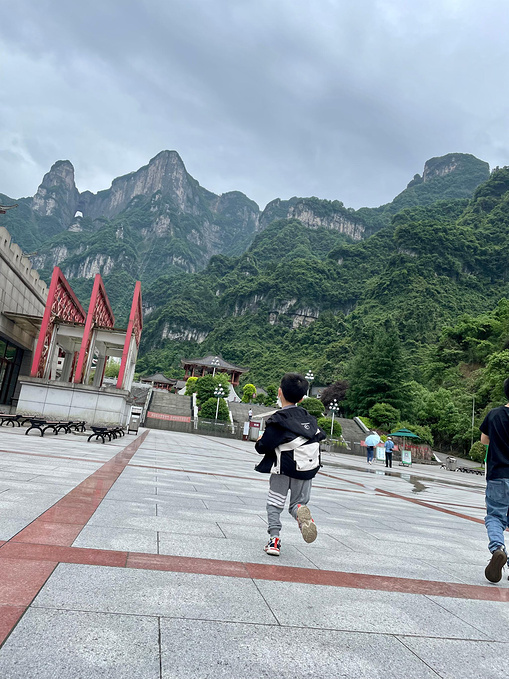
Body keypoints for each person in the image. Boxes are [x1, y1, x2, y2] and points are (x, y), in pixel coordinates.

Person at [255, 372, 326, 556]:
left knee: (275, 503)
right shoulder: (310, 419)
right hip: (306, 468)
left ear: (280, 392)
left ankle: (274, 540)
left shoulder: (278, 420)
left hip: (283, 469)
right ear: (302, 398)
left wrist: (261, 439)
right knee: (297, 504)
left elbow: (262, 447)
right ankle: (302, 512)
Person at [480, 378, 509, 583]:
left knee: (495, 517)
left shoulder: (494, 414)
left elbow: (484, 440)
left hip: (498, 474)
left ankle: (498, 548)